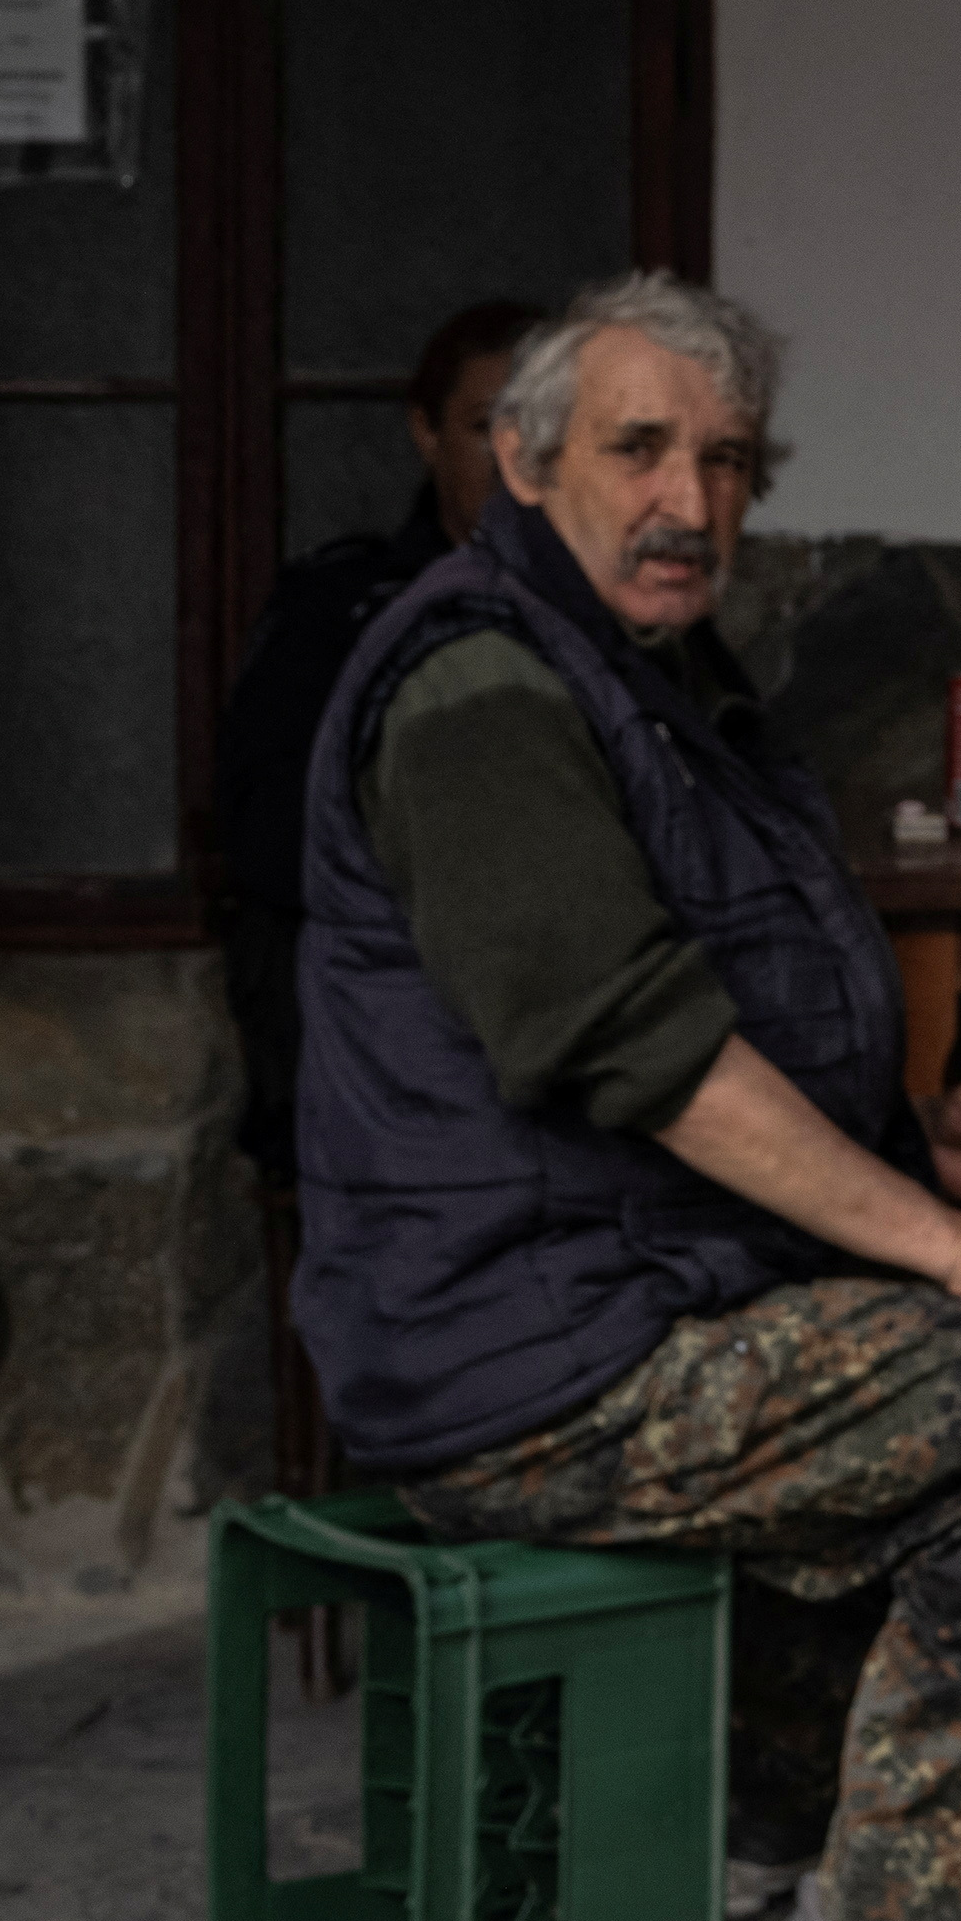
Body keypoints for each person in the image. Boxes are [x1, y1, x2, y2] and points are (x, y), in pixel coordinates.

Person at [293, 269, 961, 1921]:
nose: (687, 501)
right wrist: (940, 1241)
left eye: (724, 462)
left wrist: (920, 1141)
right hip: (528, 1360)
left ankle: (785, 1824)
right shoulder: (479, 684)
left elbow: (733, 1013)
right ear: (524, 463)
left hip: (616, 1295)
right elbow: (634, 1042)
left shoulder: (653, 679)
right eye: (638, 450)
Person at [217, 298, 537, 1486]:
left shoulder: (617, 614)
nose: (517, 458)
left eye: (546, 427)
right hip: (386, 1058)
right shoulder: (345, 608)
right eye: (488, 425)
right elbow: (271, 848)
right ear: (426, 434)